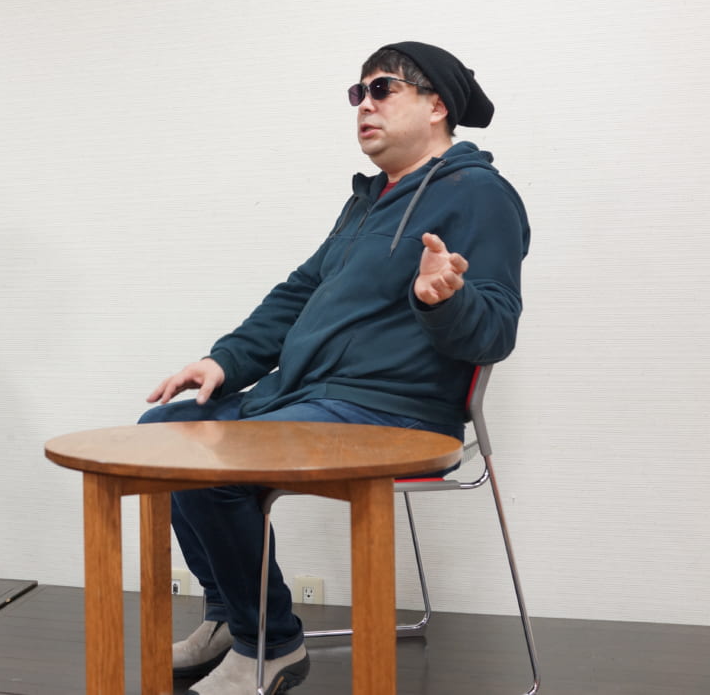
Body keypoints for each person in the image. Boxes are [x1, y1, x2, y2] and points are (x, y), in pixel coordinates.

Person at [139, 42, 529, 694]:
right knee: (161, 431)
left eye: (381, 89)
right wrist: (223, 361)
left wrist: (446, 299)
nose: (363, 105)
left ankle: (269, 646)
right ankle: (230, 614)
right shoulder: (368, 203)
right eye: (357, 93)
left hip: (392, 411)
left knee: (213, 462)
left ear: (437, 105)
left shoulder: (480, 196)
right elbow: (298, 293)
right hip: (310, 396)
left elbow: (495, 330)